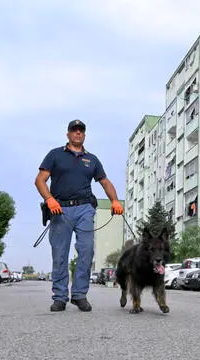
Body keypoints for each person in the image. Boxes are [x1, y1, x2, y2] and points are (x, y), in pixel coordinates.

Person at [35, 119, 124, 312]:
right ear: (67, 134)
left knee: (87, 250)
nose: (77, 133)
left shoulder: (91, 159)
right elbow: (40, 180)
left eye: (81, 131)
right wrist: (49, 199)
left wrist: (115, 200)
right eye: (74, 130)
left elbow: (105, 182)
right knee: (60, 254)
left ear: (84, 135)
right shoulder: (55, 155)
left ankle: (79, 295)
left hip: (85, 208)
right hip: (60, 209)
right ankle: (59, 297)